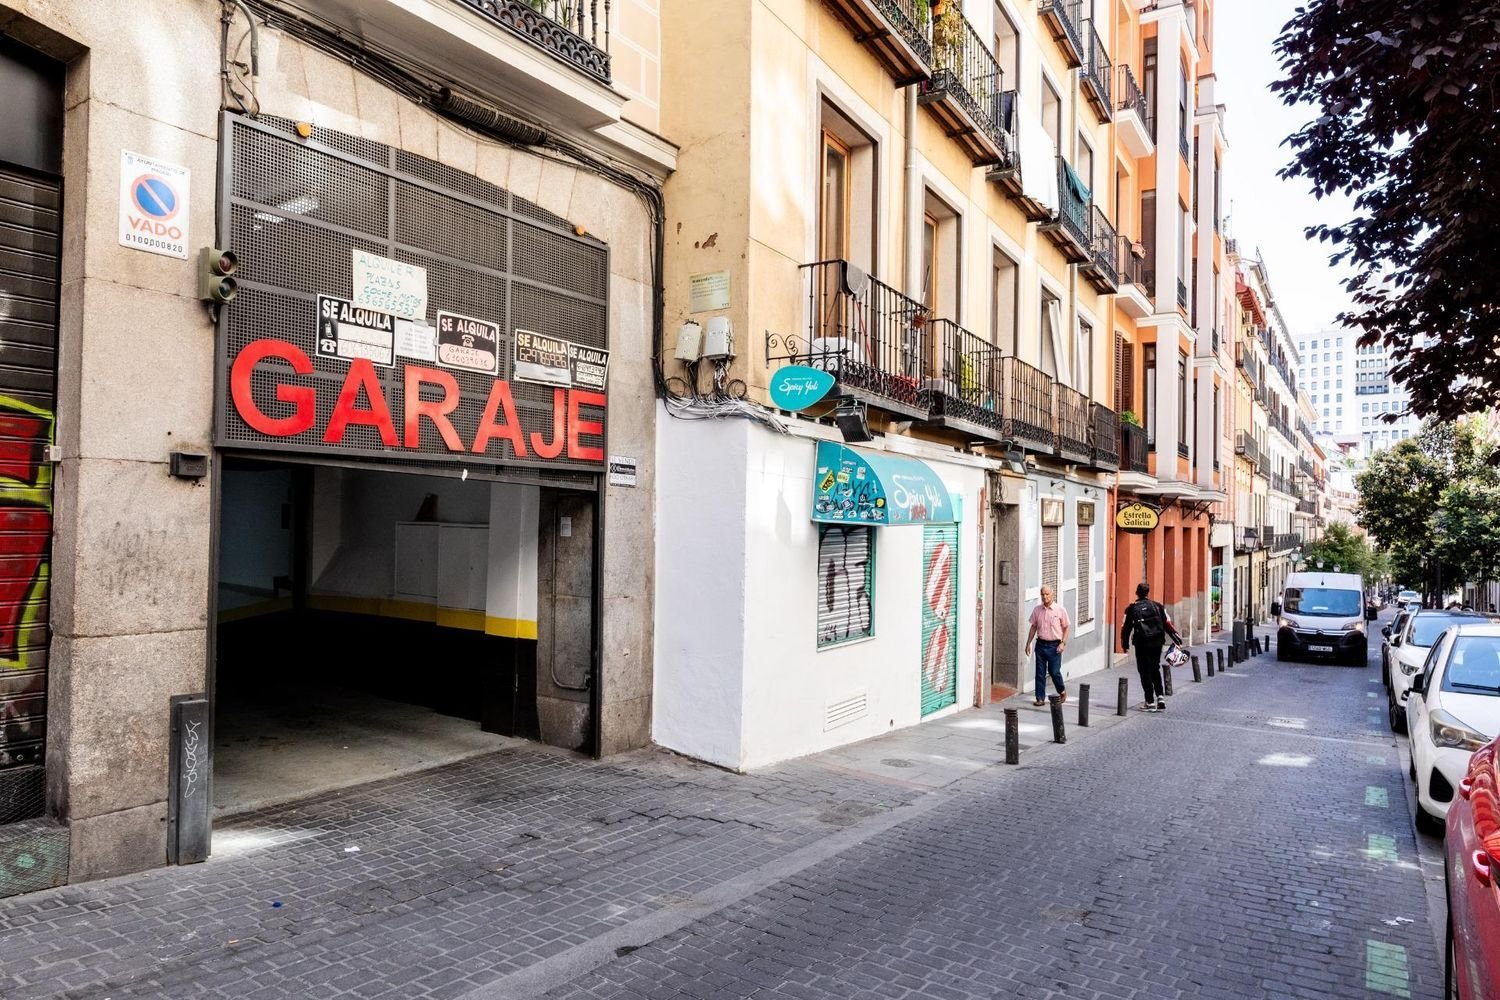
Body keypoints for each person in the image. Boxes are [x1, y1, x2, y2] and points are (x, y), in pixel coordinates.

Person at [1121, 582, 1183, 713]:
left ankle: (1149, 701)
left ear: (1137, 593)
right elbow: (1167, 624)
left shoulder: (1132, 609)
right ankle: (1160, 697)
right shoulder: (1158, 606)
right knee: (1155, 668)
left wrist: (1125, 644)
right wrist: (1176, 639)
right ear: (1148, 593)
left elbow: (1126, 628)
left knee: (1144, 671)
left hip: (1141, 643)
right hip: (1157, 642)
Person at [1024, 586, 1070, 707]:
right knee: (1040, 672)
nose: (1045, 597)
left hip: (1055, 646)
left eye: (1047, 594)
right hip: (1041, 645)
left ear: (1052, 594)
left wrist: (1063, 643)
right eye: (1042, 594)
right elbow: (1033, 627)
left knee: (1054, 671)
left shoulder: (1060, 610)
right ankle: (1040, 698)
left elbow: (1066, 627)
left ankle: (1061, 690)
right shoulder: (1037, 610)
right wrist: (1028, 643)